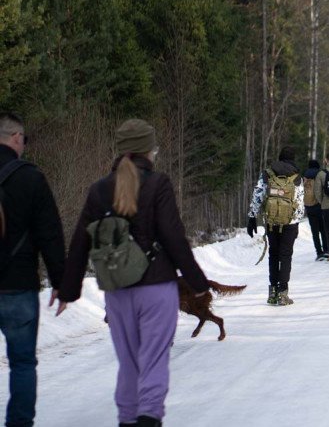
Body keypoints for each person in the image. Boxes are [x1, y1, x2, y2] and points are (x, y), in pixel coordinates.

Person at [58, 119, 210, 427]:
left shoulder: (99, 189)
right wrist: (197, 283)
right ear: (150, 150)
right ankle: (148, 419)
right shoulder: (158, 183)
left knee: (129, 365)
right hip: (156, 289)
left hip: (117, 291)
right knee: (153, 360)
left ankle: (127, 420)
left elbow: (80, 242)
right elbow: (173, 236)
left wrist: (68, 289)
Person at [0, 112, 65, 427]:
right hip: (18, 286)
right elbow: (49, 234)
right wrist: (61, 282)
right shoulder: (31, 177)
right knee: (22, 363)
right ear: (15, 138)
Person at [246, 146, 305, 305]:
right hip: (289, 222)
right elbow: (299, 202)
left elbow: (258, 194)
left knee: (274, 254)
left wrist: (252, 216)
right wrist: (295, 220)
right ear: (293, 159)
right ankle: (283, 293)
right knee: (285, 256)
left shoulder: (267, 173)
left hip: (271, 221)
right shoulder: (297, 176)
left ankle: (272, 292)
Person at [303, 159, 327, 261]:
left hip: (309, 207)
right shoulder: (320, 174)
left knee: (315, 231)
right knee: (323, 229)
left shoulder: (304, 177)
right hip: (319, 205)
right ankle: (326, 250)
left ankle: (319, 253)